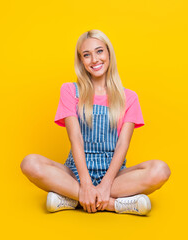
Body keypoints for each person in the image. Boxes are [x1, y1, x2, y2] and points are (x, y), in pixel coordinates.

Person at [20, 29, 171, 215]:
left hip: (114, 176)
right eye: (87, 55)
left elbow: (123, 144)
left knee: (160, 170)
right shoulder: (70, 91)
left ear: (109, 53)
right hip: (75, 174)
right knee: (30, 163)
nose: (94, 59)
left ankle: (72, 200)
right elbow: (75, 138)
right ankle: (114, 205)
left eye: (99, 51)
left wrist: (106, 184)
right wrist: (84, 183)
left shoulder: (129, 98)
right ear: (81, 61)